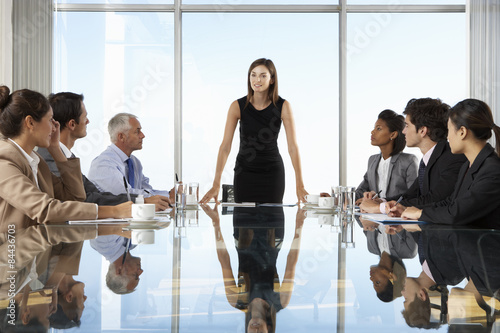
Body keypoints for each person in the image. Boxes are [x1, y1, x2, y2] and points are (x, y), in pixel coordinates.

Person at [0, 86, 131, 233]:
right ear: (30, 123)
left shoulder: (36, 161)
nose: (54, 127)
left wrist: (56, 149)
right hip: (10, 252)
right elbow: (44, 209)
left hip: (35, 251)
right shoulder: (4, 161)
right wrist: (114, 211)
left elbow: (75, 198)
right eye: (50, 120)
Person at [37, 92, 171, 210]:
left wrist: (144, 201)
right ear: (72, 124)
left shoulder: (68, 156)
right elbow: (83, 200)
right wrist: (141, 202)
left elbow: (96, 195)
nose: (88, 121)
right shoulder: (49, 158)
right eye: (85, 117)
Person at [200, 58, 308, 204]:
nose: (257, 79)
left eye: (263, 75)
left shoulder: (283, 106)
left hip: (272, 175)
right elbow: (225, 147)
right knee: (243, 223)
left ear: (272, 79)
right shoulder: (237, 106)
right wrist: (216, 184)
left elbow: (293, 148)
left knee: (272, 222)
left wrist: (300, 185)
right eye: (253, 74)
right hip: (244, 174)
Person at [401, 99, 500, 226]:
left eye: (449, 130)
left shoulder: (493, 169)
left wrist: (420, 214)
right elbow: (450, 202)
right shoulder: (467, 166)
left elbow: (456, 213)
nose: (447, 137)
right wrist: (414, 210)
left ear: (462, 132)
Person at [360, 98, 466, 215]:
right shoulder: (428, 159)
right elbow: (410, 195)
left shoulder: (452, 157)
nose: (404, 131)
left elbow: (435, 199)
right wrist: (382, 201)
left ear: (422, 131)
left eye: (407, 126)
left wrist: (381, 208)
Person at [88, 113, 173, 200]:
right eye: (137, 131)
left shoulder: (134, 162)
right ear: (121, 137)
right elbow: (126, 195)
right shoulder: (103, 164)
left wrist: (170, 195)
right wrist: (164, 197)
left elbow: (147, 190)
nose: (143, 135)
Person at [355, 109, 418, 204]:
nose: (372, 132)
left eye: (378, 129)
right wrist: (335, 199)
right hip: (374, 216)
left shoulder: (409, 161)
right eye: (374, 128)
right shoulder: (372, 160)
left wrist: (382, 203)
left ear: (393, 134)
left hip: (397, 216)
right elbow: (360, 192)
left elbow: (414, 196)